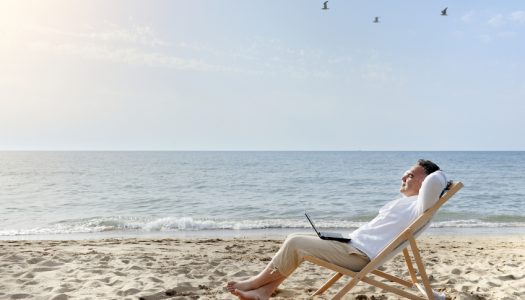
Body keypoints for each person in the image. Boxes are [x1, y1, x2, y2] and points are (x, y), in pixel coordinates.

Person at [226, 159, 448, 300]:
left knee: (295, 242)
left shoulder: (420, 205)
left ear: (425, 180)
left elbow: (437, 179)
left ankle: (256, 283)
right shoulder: (408, 203)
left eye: (410, 175)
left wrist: (436, 177)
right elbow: (429, 181)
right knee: (297, 245)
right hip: (352, 246)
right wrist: (414, 175)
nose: (403, 177)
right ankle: (264, 291)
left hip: (359, 256)